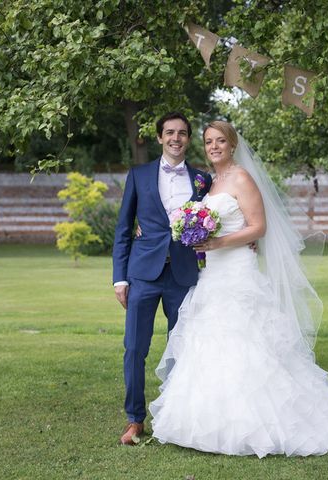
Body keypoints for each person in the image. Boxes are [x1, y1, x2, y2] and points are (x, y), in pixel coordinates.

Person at [149, 121, 328, 457]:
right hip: (214, 276)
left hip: (238, 274)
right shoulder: (210, 182)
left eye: (220, 141)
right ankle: (209, 424)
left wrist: (218, 242)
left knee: (246, 345)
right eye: (208, 142)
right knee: (211, 345)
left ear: (233, 145)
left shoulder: (241, 178)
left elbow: (258, 227)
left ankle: (258, 425)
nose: (214, 146)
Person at [112, 112, 212, 445]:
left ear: (188, 139)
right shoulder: (138, 175)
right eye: (170, 132)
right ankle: (135, 419)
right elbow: (124, 229)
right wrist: (119, 279)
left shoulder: (202, 180)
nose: (176, 138)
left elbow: (219, 217)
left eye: (182, 133)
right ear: (159, 137)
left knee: (180, 348)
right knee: (134, 349)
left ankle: (173, 416)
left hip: (183, 275)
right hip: (142, 274)